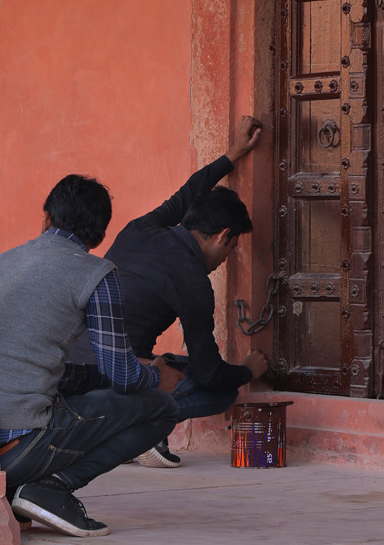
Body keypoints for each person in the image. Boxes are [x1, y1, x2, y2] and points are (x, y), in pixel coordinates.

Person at [0, 173, 181, 537]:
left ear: (47, 216)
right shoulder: (96, 273)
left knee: (85, 395)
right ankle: (49, 487)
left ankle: (23, 490)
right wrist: (159, 376)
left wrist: (110, 374)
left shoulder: (0, 262)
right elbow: (125, 379)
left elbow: (38, 367)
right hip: (22, 450)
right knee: (162, 408)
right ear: (98, 236)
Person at [105, 116, 269, 468]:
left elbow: (190, 191)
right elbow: (210, 373)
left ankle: (127, 425)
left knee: (171, 364)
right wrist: (246, 372)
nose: (227, 259)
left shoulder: (141, 228)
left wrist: (232, 155)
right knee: (221, 387)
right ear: (223, 236)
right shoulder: (195, 284)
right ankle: (139, 431)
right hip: (120, 374)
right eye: (232, 248)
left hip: (78, 364)